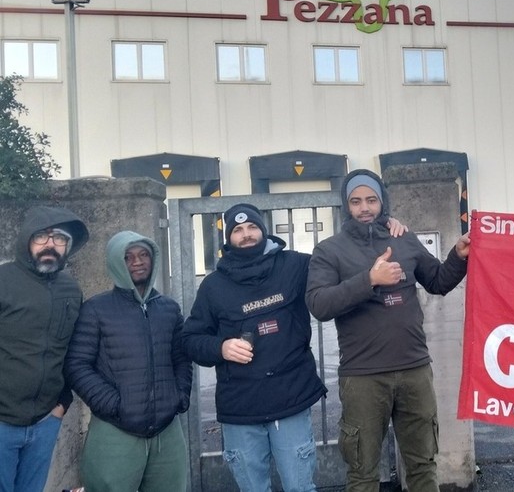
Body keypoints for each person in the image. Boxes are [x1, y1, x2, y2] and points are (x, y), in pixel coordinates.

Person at [306, 168, 471, 492]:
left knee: (423, 467)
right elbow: (319, 304)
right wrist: (369, 280)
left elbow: (438, 281)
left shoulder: (403, 238)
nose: (364, 208)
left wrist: (458, 256)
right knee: (363, 473)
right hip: (363, 377)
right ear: (346, 205)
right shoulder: (329, 250)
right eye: (356, 201)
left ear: (382, 201)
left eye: (371, 200)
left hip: (414, 370)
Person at [181, 203, 327, 492]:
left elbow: (338, 261)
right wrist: (221, 347)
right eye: (238, 230)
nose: (246, 234)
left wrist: (382, 226)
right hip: (241, 407)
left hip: (291, 398)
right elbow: (190, 340)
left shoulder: (296, 265)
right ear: (228, 238)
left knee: (300, 488)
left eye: (252, 227)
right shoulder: (213, 286)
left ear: (263, 230)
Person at [64, 231, 192, 491]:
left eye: (144, 254)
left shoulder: (169, 308)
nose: (137, 261)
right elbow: (77, 365)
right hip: (115, 430)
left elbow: (181, 358)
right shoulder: (96, 309)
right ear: (116, 262)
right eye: (128, 257)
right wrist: (113, 405)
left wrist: (179, 396)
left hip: (166, 432)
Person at [0, 206, 89, 492]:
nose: (50, 244)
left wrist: (62, 404)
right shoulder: (3, 281)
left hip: (45, 422)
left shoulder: (71, 290)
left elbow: (74, 351)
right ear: (27, 240)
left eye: (59, 238)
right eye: (41, 236)